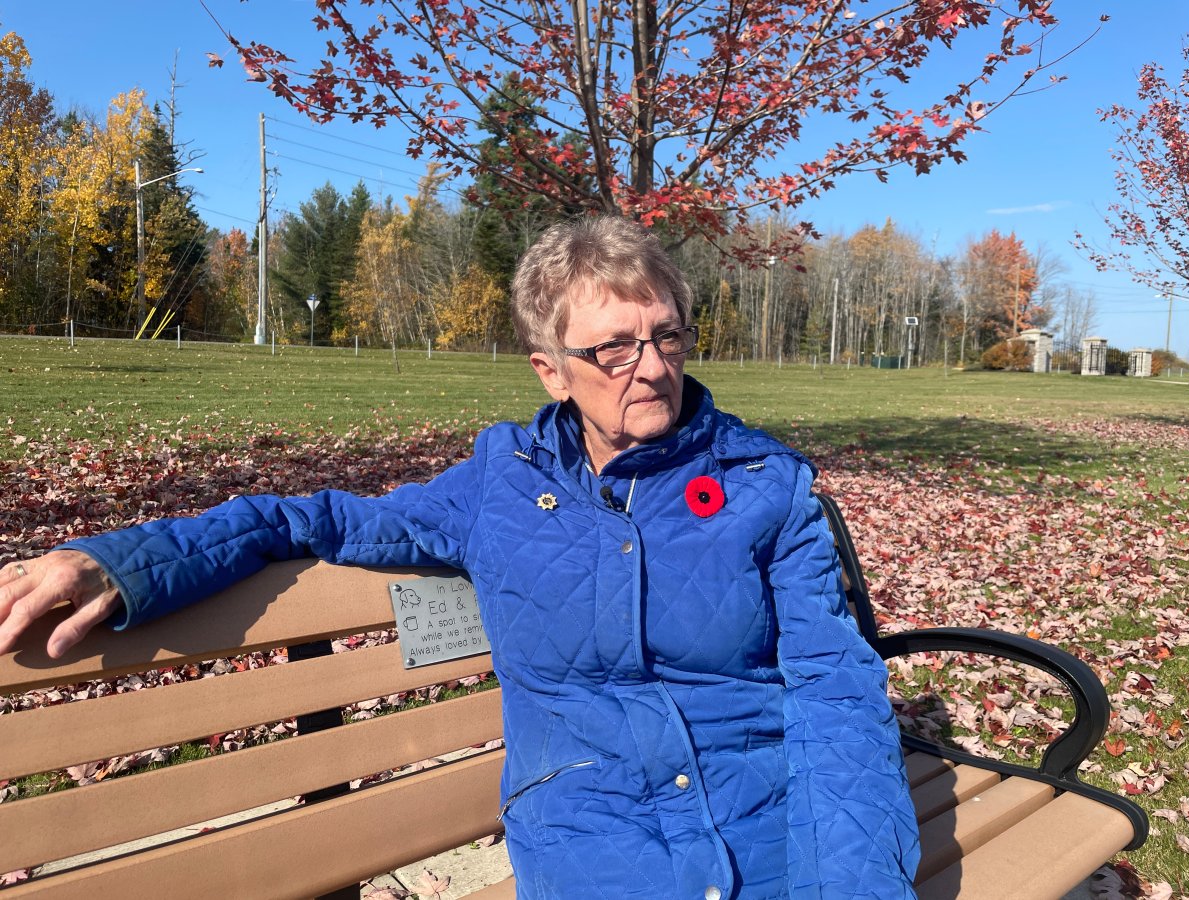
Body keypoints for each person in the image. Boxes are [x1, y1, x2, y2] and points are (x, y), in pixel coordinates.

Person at [0, 216, 919, 899]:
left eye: (667, 335)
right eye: (613, 347)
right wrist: (120, 562)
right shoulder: (499, 487)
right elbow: (304, 519)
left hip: (772, 816)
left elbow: (838, 697)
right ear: (550, 369)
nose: (651, 366)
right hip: (598, 836)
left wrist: (857, 887)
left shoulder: (766, 485)